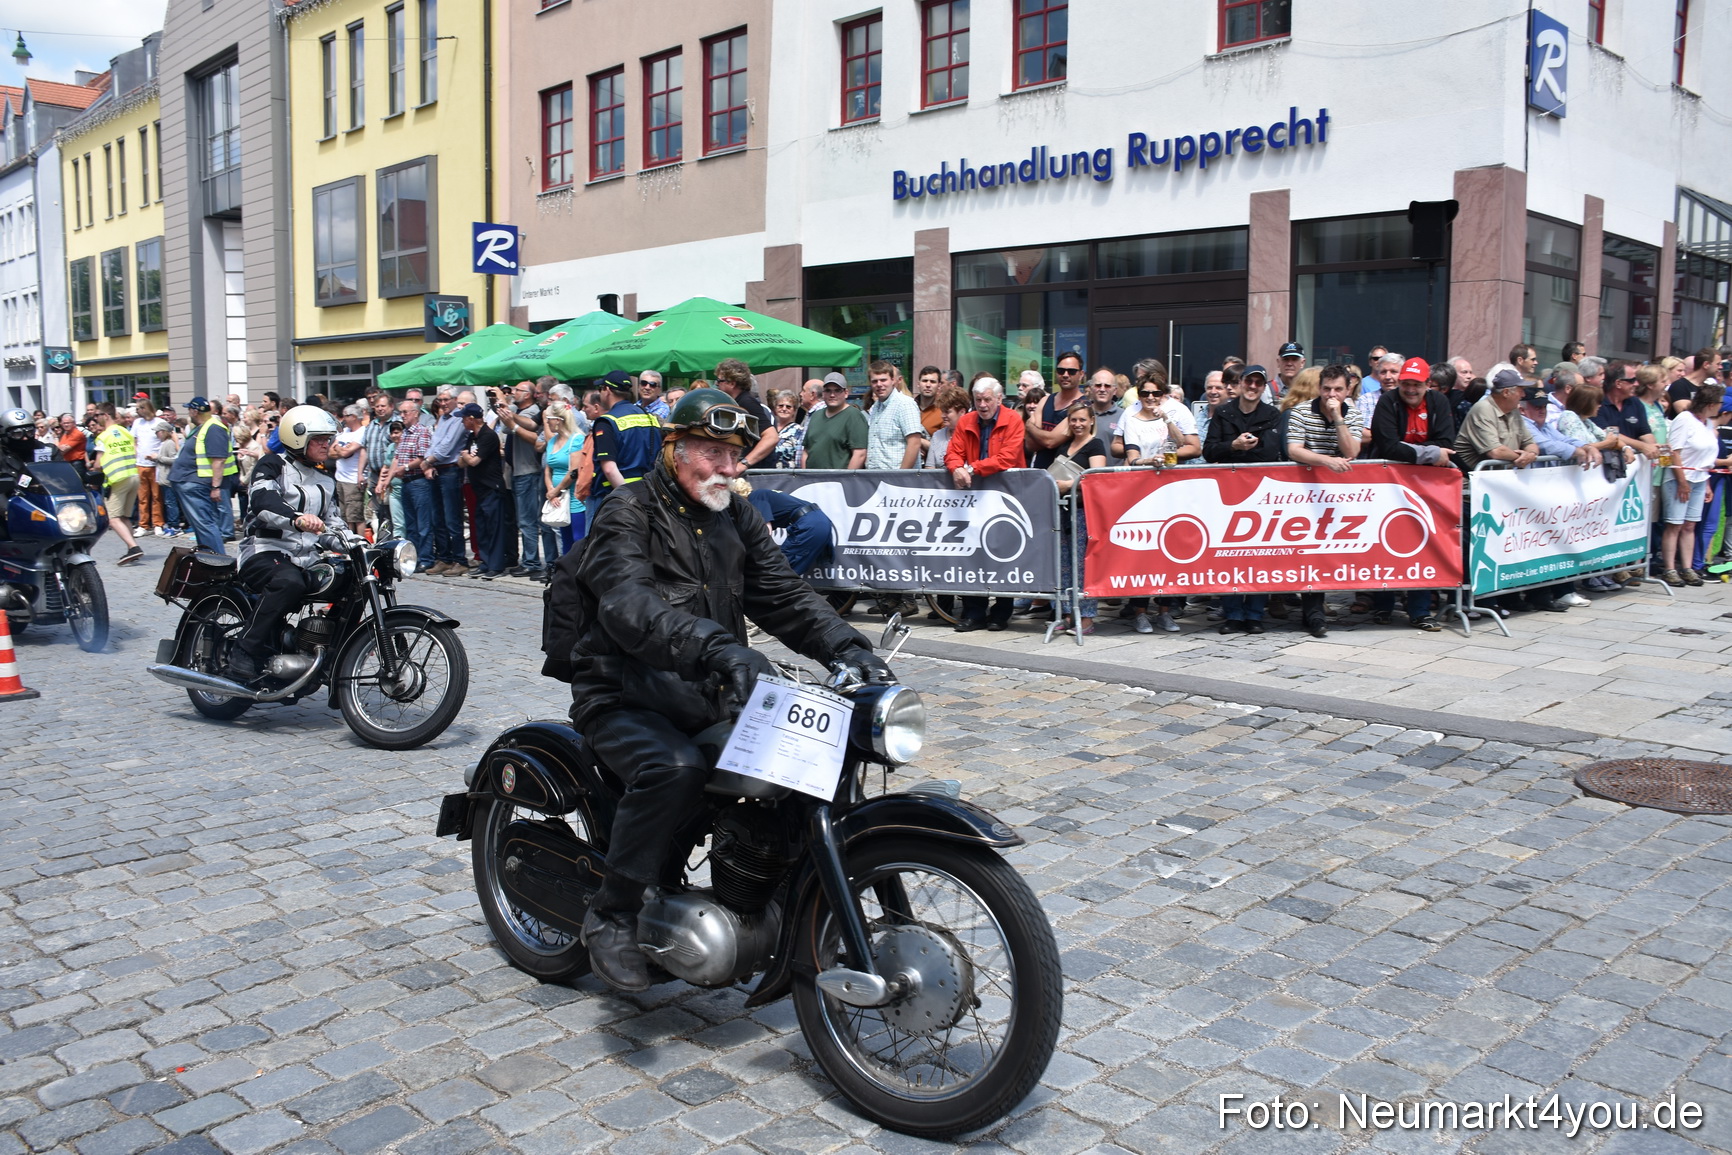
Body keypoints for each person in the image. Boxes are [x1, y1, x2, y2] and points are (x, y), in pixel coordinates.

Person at [556, 387, 885, 989]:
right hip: (624, 690)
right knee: (676, 768)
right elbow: (628, 605)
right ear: (673, 449)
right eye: (711, 452)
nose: (729, 469)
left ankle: (768, 897)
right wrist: (717, 648)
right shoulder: (628, 511)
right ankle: (613, 912)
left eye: (734, 456)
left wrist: (851, 649)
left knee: (790, 769)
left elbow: (783, 594)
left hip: (708, 691)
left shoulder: (734, 513)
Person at [226, 406, 341, 685]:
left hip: (307, 557)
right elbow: (264, 503)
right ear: (298, 437)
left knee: (347, 579)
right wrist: (297, 519)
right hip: (264, 549)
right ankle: (244, 648)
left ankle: (327, 649)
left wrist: (357, 542)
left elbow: (333, 523)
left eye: (328, 438)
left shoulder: (326, 480)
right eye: (318, 438)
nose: (326, 443)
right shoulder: (272, 464)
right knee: (289, 582)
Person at [1202, 371, 1284, 633]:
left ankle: (1255, 614)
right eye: (1248, 381)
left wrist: (1235, 449)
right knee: (1228, 554)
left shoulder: (1272, 414)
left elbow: (1271, 452)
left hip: (1262, 492)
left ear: (1263, 388)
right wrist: (1234, 446)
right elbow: (1209, 450)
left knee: (1260, 554)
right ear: (1239, 384)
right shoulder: (1224, 412)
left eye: (1258, 383)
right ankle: (1233, 614)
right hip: (1229, 491)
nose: (1252, 386)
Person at [1286, 365, 1363, 637]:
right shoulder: (1301, 411)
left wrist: (1337, 416)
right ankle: (1313, 613)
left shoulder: (1351, 413)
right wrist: (1326, 461)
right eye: (1327, 389)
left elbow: (1352, 450)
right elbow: (1294, 449)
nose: (1332, 394)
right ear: (1319, 388)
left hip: (1339, 494)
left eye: (1338, 389)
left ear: (1348, 389)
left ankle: (1322, 607)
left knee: (1332, 551)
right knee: (1310, 551)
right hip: (1304, 491)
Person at [944, 378, 1025, 632]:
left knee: (1004, 551)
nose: (982, 404)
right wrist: (956, 468)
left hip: (1006, 494)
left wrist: (970, 468)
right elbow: (953, 452)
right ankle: (974, 612)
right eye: (978, 400)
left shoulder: (1013, 419)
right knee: (971, 552)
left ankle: (1001, 612)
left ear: (999, 399)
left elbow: (1007, 458)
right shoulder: (967, 421)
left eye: (987, 399)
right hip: (973, 497)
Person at [1660, 384, 1725, 586]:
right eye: (1719, 403)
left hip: (1699, 478)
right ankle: (1669, 568)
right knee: (1675, 524)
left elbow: (1705, 457)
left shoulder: (1707, 423)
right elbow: (1675, 452)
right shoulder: (1684, 420)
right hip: (1680, 477)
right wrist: (1681, 482)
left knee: (1690, 525)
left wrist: (1706, 484)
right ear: (1711, 404)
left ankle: (1687, 567)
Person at [1053, 402, 1107, 636]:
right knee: (1064, 564)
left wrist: (1068, 484)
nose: (1077, 424)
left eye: (1082, 419)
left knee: (1083, 565)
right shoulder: (1064, 445)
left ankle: (1086, 618)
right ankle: (1068, 614)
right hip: (1063, 512)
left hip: (1084, 513)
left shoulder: (1095, 445)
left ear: (1092, 420)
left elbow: (1098, 480)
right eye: (1073, 419)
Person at [731, 476, 835, 576]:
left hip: (810, 523)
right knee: (791, 570)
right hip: (818, 520)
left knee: (780, 569)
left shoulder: (755, 497)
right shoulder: (761, 495)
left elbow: (765, 531)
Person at [172, 398, 235, 554]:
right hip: (192, 481)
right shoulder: (204, 427)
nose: (189, 413)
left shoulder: (213, 428)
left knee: (205, 524)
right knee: (202, 525)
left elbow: (218, 460)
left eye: (189, 410)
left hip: (197, 483)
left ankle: (219, 561)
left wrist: (215, 487)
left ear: (195, 411)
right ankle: (207, 559)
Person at [590, 371, 662, 503]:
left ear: (607, 390)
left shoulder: (606, 421)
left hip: (615, 496)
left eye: (600, 389)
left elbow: (609, 469)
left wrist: (630, 500)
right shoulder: (650, 418)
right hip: (648, 492)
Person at [90, 405, 146, 566]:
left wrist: (93, 468)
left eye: (98, 415)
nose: (96, 418)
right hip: (132, 475)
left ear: (106, 415)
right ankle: (132, 546)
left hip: (117, 478)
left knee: (112, 518)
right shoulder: (125, 432)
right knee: (124, 517)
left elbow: (99, 464)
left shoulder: (104, 436)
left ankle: (134, 547)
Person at [456, 403, 507, 579]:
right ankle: (485, 562)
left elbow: (473, 461)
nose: (462, 421)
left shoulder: (488, 436)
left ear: (471, 418)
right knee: (481, 528)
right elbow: (462, 462)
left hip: (491, 487)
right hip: (478, 489)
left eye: (463, 418)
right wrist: (466, 457)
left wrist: (465, 456)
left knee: (494, 528)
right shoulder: (472, 437)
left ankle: (496, 565)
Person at [421, 390, 468, 575]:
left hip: (450, 469)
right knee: (437, 518)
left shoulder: (458, 418)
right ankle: (445, 558)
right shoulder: (443, 418)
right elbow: (434, 443)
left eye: (446, 399)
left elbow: (447, 445)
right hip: (437, 468)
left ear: (455, 400)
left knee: (452, 518)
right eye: (439, 400)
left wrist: (428, 461)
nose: (442, 403)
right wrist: (429, 462)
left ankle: (459, 559)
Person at [388, 397, 436, 570]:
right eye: (400, 412)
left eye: (405, 412)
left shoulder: (421, 432)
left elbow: (422, 458)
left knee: (423, 524)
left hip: (418, 481)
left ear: (415, 413)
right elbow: (398, 457)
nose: (402, 416)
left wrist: (405, 467)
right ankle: (413, 558)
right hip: (406, 482)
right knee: (411, 525)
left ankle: (426, 558)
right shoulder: (405, 433)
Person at [712, 359, 779, 467]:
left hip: (753, 476)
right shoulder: (734, 403)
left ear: (732, 383)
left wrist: (743, 464)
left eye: (719, 381)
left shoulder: (747, 402)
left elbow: (771, 437)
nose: (716, 385)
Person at [542, 403, 585, 556]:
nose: (547, 422)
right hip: (558, 496)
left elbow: (574, 471)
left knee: (578, 538)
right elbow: (548, 468)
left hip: (573, 497)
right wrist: (550, 491)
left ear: (558, 420)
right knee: (565, 538)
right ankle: (567, 573)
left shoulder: (576, 440)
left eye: (549, 419)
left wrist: (555, 490)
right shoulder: (553, 441)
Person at [863, 360, 924, 469]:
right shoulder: (876, 406)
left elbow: (914, 443)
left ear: (893, 380)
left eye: (883, 380)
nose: (879, 385)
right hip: (875, 476)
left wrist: (901, 476)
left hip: (897, 479)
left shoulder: (905, 404)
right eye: (874, 381)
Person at [1026, 353, 1084, 467]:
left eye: (1071, 371)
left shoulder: (1082, 406)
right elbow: (1030, 444)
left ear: (1081, 374)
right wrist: (1046, 437)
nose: (1065, 375)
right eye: (1061, 370)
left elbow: (1050, 442)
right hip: (1041, 473)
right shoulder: (1045, 400)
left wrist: (1029, 426)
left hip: (1065, 477)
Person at [801, 374, 868, 468]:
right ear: (823, 393)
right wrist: (804, 476)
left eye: (837, 390)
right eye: (828, 390)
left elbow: (860, 454)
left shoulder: (854, 416)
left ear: (846, 393)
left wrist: (846, 479)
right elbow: (806, 451)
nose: (832, 395)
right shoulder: (816, 415)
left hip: (838, 480)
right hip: (812, 480)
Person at [331, 404, 368, 533]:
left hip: (353, 480)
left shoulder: (362, 432)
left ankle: (360, 544)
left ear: (354, 417)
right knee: (345, 516)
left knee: (355, 516)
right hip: (340, 478)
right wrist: (341, 450)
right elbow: (330, 452)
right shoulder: (344, 432)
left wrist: (340, 450)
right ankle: (348, 543)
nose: (343, 419)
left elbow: (345, 453)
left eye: (346, 416)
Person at [924, 385, 970, 469]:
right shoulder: (937, 436)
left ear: (962, 412)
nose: (942, 416)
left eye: (947, 412)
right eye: (942, 412)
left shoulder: (973, 434)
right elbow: (929, 469)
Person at [767, 389, 805, 469]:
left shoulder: (799, 431)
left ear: (794, 411)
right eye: (780, 406)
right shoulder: (769, 427)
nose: (784, 409)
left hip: (788, 477)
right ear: (775, 408)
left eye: (788, 407)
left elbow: (800, 457)